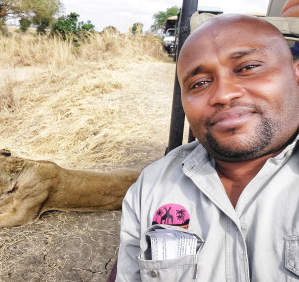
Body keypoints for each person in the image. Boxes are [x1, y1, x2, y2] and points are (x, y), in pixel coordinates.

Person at [116, 14, 299, 281]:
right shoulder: (150, 188)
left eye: (247, 67)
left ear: (296, 75)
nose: (223, 94)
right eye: (199, 83)